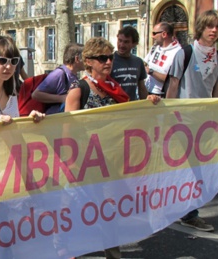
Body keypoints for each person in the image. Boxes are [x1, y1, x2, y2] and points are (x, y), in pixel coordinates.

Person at [65, 37, 160, 259]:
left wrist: (149, 103)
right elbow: (66, 132)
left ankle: (113, 254)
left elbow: (128, 118)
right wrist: (70, 164)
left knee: (109, 210)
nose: (108, 62)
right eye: (102, 58)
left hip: (109, 163)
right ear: (88, 61)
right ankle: (67, 250)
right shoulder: (78, 90)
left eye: (110, 57)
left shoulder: (113, 88)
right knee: (76, 209)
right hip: (84, 162)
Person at [166, 9, 218, 232]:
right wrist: (168, 118)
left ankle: (184, 210)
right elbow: (173, 86)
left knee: (198, 169)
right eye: (210, 26)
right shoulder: (186, 53)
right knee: (186, 169)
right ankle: (188, 213)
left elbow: (217, 92)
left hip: (204, 123)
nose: (214, 30)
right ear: (201, 28)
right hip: (182, 121)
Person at [32, 43, 84, 115]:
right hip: (54, 121)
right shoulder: (58, 74)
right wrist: (63, 98)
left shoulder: (73, 75)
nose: (88, 62)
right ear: (77, 59)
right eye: (85, 58)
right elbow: (36, 95)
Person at [110, 26, 148, 101]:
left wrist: (147, 105)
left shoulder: (138, 62)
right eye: (120, 40)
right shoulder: (109, 60)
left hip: (131, 107)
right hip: (114, 107)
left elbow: (142, 88)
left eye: (126, 42)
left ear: (134, 44)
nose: (121, 45)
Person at [144, 22, 181, 97]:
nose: (152, 36)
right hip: (147, 92)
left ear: (164, 34)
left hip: (162, 96)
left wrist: (151, 71)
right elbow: (145, 63)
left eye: (154, 33)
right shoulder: (155, 48)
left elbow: (173, 80)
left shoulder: (178, 52)